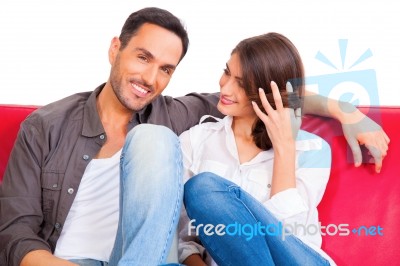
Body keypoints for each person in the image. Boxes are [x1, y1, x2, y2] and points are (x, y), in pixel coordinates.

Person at [0, 6, 389, 266]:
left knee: (156, 142)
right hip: (84, 260)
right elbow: (15, 230)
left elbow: (274, 93)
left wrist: (344, 110)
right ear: (115, 48)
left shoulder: (176, 115)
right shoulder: (46, 126)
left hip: (290, 256)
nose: (151, 80)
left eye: (166, 69)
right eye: (142, 57)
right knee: (195, 181)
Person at [177, 32, 333, 265]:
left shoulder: (313, 149)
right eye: (227, 72)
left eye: (241, 84)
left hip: (298, 259)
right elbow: (185, 241)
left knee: (205, 186)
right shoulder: (195, 141)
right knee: (203, 189)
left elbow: (290, 235)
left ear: (269, 93)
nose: (226, 88)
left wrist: (285, 148)